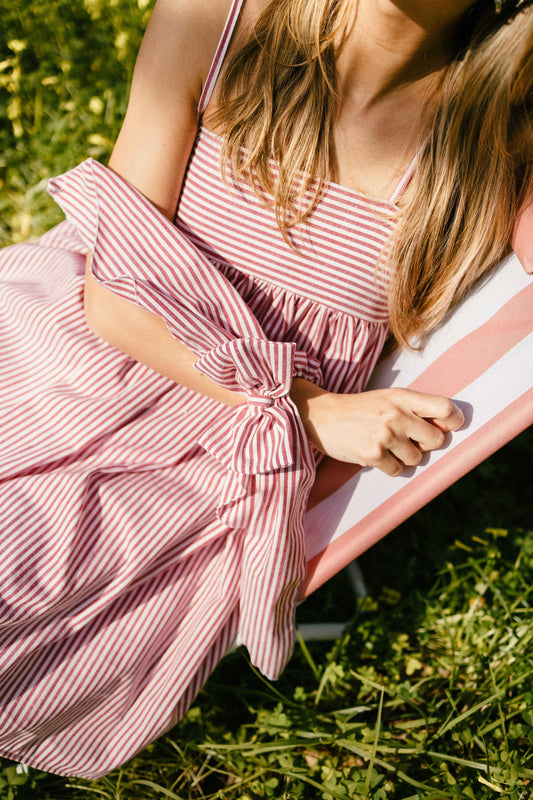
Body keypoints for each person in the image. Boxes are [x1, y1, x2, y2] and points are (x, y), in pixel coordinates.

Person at [0, 0, 531, 779]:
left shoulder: (493, 128)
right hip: (84, 352)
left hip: (211, 457)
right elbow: (116, 295)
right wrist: (306, 407)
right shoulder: (215, 18)